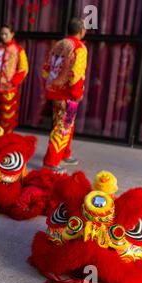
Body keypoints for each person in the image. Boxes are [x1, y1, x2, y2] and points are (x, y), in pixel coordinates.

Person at [42, 18, 88, 173]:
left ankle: (64, 153)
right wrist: (77, 94)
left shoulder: (59, 44)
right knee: (63, 127)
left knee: (66, 125)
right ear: (81, 31)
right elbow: (76, 75)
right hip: (69, 95)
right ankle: (51, 161)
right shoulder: (79, 47)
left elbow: (45, 69)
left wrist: (49, 87)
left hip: (55, 92)